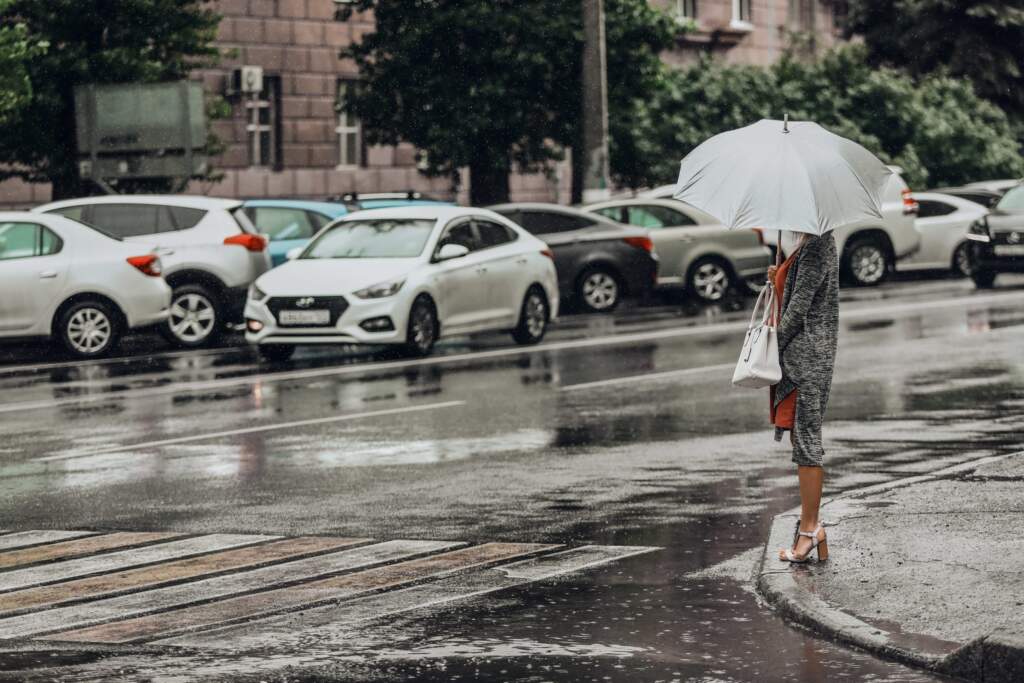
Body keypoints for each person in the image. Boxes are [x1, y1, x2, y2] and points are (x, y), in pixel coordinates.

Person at [767, 230, 839, 563]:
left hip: (806, 358)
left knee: (807, 440)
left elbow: (798, 311)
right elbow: (795, 296)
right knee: (802, 438)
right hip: (803, 356)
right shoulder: (806, 246)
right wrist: (777, 277)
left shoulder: (817, 245)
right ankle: (812, 530)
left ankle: (810, 529)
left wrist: (769, 348)